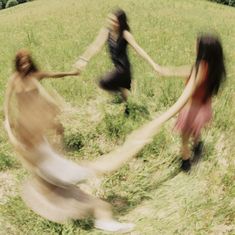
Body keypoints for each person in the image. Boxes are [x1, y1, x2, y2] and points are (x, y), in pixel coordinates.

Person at [4, 49, 134, 233]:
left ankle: (62, 184)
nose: (25, 65)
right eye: (22, 62)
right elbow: (7, 104)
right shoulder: (14, 80)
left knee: (49, 152)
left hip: (38, 124)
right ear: (17, 64)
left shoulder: (35, 76)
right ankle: (56, 190)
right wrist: (8, 127)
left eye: (27, 61)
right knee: (38, 159)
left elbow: (53, 75)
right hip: (26, 125)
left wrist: (72, 72)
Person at [75, 8, 160, 102]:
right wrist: (83, 59)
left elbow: (138, 49)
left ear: (121, 23)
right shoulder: (106, 32)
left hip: (124, 70)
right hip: (117, 68)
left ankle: (123, 98)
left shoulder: (125, 34)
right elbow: (95, 46)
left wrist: (154, 65)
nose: (112, 23)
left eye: (115, 21)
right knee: (125, 102)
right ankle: (125, 99)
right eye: (111, 20)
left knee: (103, 82)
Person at [174, 34, 226, 171]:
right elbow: (188, 72)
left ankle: (185, 163)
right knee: (195, 129)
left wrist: (169, 113)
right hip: (203, 109)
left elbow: (188, 92)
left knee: (184, 140)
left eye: (197, 44)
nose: (194, 46)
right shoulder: (213, 67)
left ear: (203, 50)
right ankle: (198, 146)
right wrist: (166, 71)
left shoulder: (200, 68)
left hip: (191, 110)